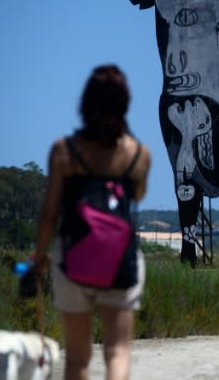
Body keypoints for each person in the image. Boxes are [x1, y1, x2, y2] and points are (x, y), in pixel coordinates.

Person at [34, 65, 151, 380]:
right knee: (117, 352)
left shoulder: (64, 151)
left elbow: (49, 214)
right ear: (125, 104)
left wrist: (39, 256)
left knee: (77, 359)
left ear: (84, 104)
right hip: (120, 261)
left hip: (73, 258)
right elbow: (137, 193)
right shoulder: (139, 154)